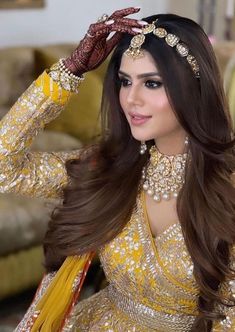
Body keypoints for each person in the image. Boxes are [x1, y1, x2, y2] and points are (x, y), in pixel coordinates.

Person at [0, 6, 234, 332]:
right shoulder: (109, 168)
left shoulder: (227, 187)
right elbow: (5, 167)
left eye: (151, 84)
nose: (130, 99)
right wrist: (69, 71)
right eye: (125, 81)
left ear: (192, 89)